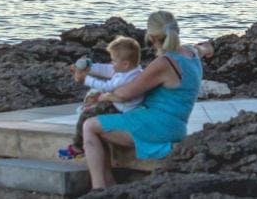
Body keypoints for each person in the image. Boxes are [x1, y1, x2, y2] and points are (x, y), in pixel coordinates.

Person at [82, 11, 214, 189]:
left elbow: (125, 94)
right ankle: (110, 186)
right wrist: (208, 48)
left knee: (89, 126)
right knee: (107, 122)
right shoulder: (192, 52)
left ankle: (98, 189)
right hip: (177, 127)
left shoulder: (164, 63)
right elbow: (206, 48)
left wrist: (102, 95)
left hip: (157, 126)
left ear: (151, 37)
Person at [58, 36, 144, 160]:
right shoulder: (132, 70)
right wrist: (90, 68)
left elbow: (106, 87)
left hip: (120, 109)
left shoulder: (124, 79)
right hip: (118, 102)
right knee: (91, 102)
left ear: (125, 64)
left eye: (113, 60)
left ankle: (78, 147)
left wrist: (85, 79)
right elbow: (107, 69)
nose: (111, 63)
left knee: (86, 115)